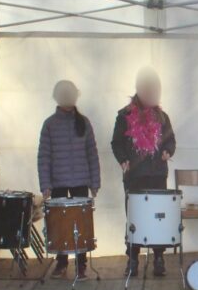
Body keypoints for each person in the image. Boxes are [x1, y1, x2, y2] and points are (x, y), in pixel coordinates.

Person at [111, 67, 176, 278]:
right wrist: (123, 160)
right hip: (135, 176)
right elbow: (116, 143)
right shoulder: (124, 115)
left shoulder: (162, 117)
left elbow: (171, 140)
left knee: (158, 217)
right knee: (135, 217)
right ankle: (132, 259)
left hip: (157, 175)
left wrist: (168, 151)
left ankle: (159, 258)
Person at [37, 80, 101, 279]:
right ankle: (62, 262)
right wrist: (45, 184)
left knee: (81, 224)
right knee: (59, 224)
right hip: (58, 183)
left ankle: (81, 264)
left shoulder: (84, 122)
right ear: (56, 97)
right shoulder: (49, 124)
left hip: (81, 181)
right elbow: (44, 157)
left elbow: (92, 153)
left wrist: (95, 182)